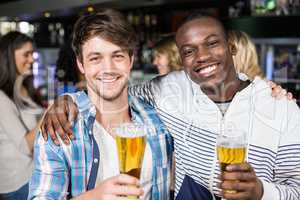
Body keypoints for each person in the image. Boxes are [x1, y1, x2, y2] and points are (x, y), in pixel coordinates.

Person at [40, 12, 300, 200]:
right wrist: (68, 100)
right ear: (182, 60)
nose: (202, 57)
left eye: (212, 43)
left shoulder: (282, 108)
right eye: (189, 51)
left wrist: (262, 192)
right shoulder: (168, 94)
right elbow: (112, 91)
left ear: (231, 47)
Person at [28, 9, 172, 200]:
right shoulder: (60, 128)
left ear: (131, 60)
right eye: (95, 58)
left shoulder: (159, 118)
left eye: (118, 56)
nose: (108, 69)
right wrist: (94, 197)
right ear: (81, 64)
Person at [0, 31, 43, 199]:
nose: (32, 59)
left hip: (34, 172)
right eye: (26, 54)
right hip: (19, 181)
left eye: (32, 54)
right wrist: (50, 114)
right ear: (9, 57)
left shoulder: (24, 87)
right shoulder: (2, 98)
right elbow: (25, 146)